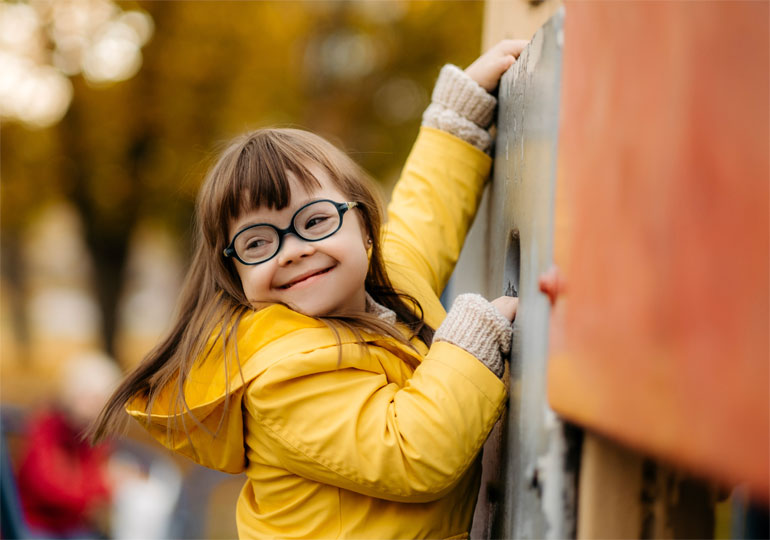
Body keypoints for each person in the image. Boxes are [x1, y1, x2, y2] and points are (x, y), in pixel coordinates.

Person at [89, 40, 528, 539]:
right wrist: (470, 342)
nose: (293, 249)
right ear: (236, 277)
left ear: (362, 223)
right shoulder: (281, 374)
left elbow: (425, 213)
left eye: (314, 220)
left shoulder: (388, 283)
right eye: (258, 242)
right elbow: (414, 452)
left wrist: (456, 120)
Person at [18, 351, 121, 538]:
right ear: (72, 395)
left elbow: (91, 473)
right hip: (39, 526)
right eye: (92, 399)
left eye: (103, 402)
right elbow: (49, 487)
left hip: (73, 525)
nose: (97, 409)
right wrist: (106, 484)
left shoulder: (90, 434)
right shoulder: (47, 429)